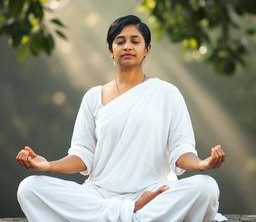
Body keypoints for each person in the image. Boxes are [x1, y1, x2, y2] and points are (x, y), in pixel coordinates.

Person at [16, 15, 226, 222]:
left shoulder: (167, 93)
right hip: (100, 195)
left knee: (206, 188)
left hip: (152, 194)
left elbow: (181, 150)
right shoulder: (93, 97)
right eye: (120, 41)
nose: (127, 46)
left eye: (135, 41)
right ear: (110, 51)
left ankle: (119, 216)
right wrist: (48, 166)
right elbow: (82, 155)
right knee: (30, 188)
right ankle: (131, 212)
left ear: (147, 50)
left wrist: (201, 164)